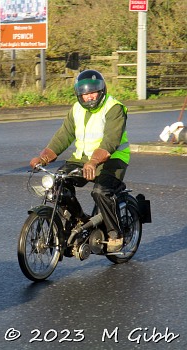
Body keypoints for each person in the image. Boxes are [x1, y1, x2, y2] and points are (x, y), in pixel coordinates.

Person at [30, 69, 130, 252]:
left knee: (100, 192)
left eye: (93, 92)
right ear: (79, 95)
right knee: (58, 185)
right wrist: (43, 158)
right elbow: (63, 136)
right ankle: (80, 222)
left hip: (112, 159)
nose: (90, 97)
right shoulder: (76, 109)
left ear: (101, 91)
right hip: (82, 159)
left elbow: (111, 141)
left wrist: (93, 162)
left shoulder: (114, 107)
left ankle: (116, 233)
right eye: (85, 94)